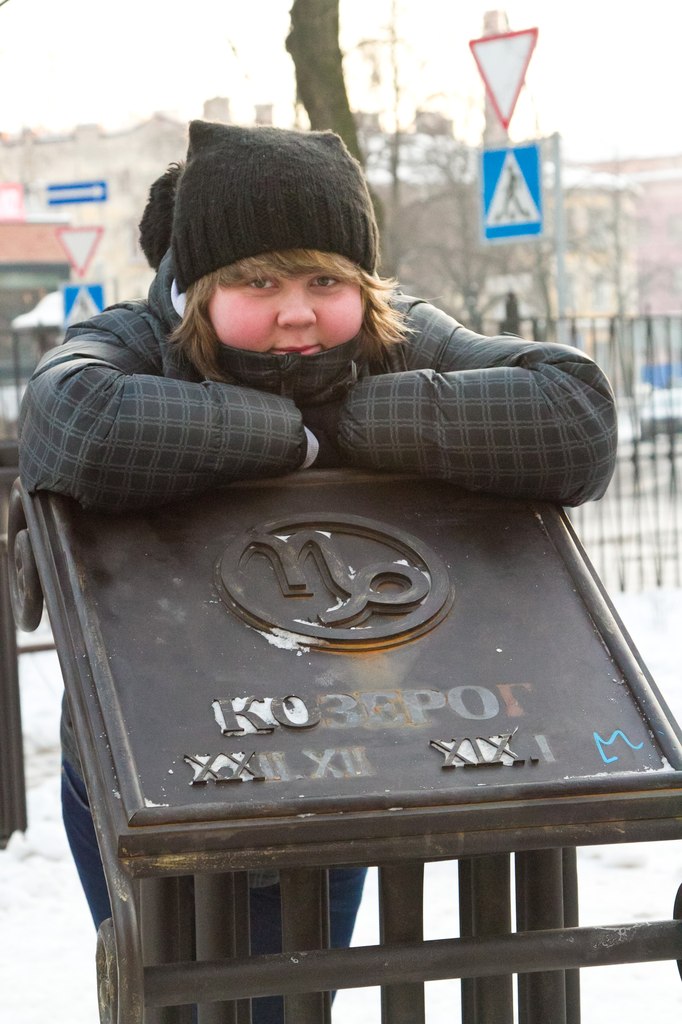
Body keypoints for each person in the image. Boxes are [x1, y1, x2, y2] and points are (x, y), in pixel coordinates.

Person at [18, 120, 618, 1022]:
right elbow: (76, 420)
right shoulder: (136, 339)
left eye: (324, 281)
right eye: (259, 282)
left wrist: (350, 420)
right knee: (177, 998)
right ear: (198, 288)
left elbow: (574, 415)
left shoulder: (394, 336)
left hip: (332, 752)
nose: (297, 312)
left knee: (288, 1003)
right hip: (150, 754)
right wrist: (289, 434)